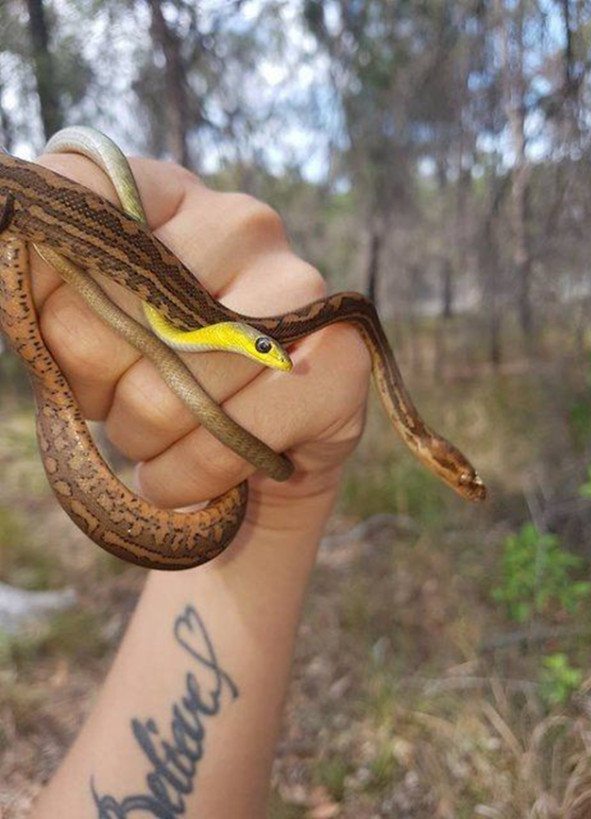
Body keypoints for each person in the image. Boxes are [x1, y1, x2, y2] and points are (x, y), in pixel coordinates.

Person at [29, 150, 371, 818]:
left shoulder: (213, 334)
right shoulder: (209, 327)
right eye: (267, 348)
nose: (275, 356)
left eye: (268, 352)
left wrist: (279, 510)